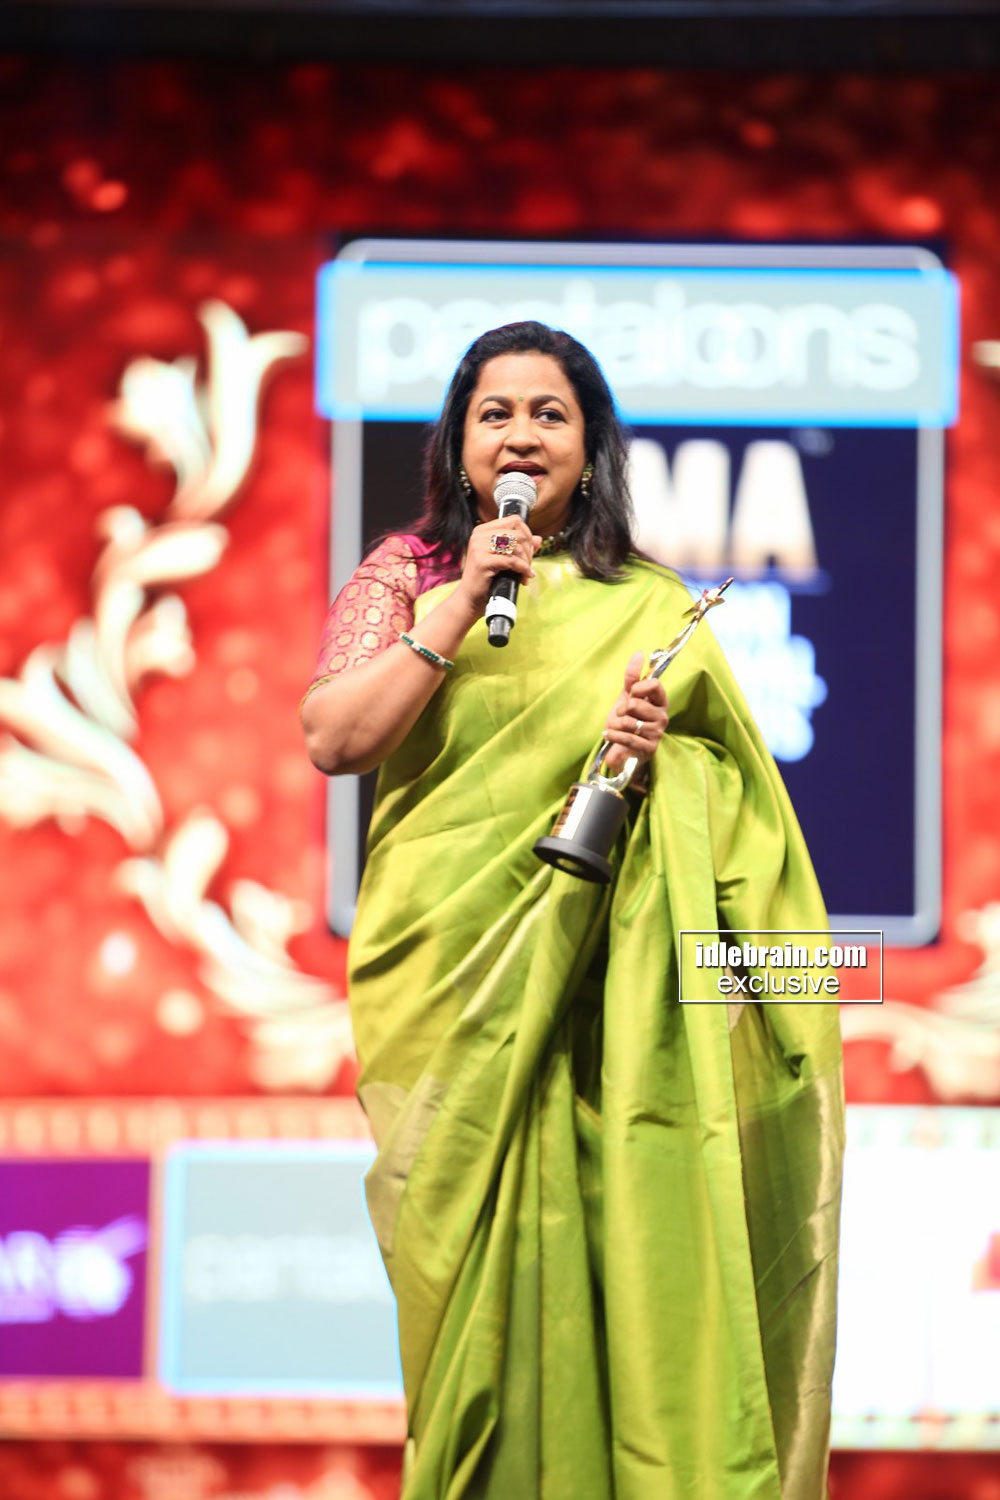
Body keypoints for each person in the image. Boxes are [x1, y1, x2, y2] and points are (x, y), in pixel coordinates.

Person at [300, 321, 844, 1500]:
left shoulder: (649, 603)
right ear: (458, 444)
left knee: (635, 1280)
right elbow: (335, 740)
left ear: (589, 445)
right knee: (475, 1320)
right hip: (455, 985)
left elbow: (741, 809)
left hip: (614, 1004)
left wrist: (654, 760)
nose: (520, 435)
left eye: (548, 413)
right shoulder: (409, 573)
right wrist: (457, 604)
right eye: (494, 412)